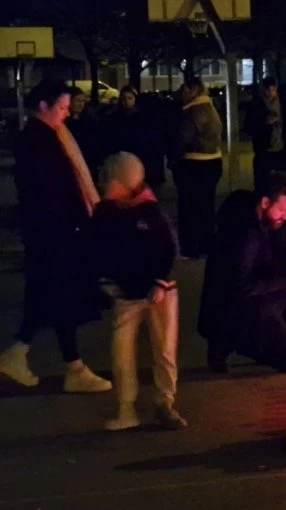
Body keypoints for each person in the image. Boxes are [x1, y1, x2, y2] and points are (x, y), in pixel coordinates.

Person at [0, 79, 112, 392]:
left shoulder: (44, 136)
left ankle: (33, 355)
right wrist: (79, 222)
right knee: (60, 296)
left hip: (51, 233)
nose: (66, 113)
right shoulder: (39, 141)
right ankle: (69, 367)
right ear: (44, 106)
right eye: (61, 107)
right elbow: (52, 191)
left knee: (50, 295)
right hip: (54, 233)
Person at [90, 152, 186, 430]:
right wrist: (103, 280)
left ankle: (165, 402)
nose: (103, 183)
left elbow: (171, 252)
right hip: (126, 294)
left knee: (164, 350)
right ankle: (126, 408)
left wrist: (160, 282)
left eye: (110, 178)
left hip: (159, 294)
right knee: (121, 354)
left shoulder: (151, 213)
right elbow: (95, 251)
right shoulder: (105, 212)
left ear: (123, 182)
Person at [198, 172, 286, 374]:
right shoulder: (242, 232)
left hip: (262, 292)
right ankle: (226, 342)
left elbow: (282, 255)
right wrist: (285, 281)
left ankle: (277, 337)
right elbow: (237, 285)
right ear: (265, 202)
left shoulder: (273, 221)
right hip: (235, 306)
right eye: (283, 210)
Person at [170, 77, 222, 260]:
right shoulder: (210, 108)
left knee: (189, 209)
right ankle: (205, 244)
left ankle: (190, 247)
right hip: (212, 162)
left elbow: (181, 140)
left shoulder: (194, 112)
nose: (182, 94)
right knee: (205, 208)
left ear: (192, 91)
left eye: (184, 91)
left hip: (195, 164)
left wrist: (174, 158)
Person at [104, 85, 167, 187]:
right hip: (124, 161)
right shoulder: (114, 118)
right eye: (124, 99)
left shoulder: (144, 117)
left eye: (130, 98)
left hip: (140, 160)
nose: (126, 101)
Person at [245, 77, 286, 190]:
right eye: (267, 90)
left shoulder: (284, 102)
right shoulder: (256, 104)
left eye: (272, 90)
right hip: (264, 150)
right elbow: (248, 126)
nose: (270, 93)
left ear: (276, 89)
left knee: (284, 182)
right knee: (262, 183)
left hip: (283, 149)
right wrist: (263, 123)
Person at [65, 86, 102, 183]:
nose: (81, 104)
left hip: (87, 162)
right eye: (78, 101)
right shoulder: (64, 122)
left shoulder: (89, 121)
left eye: (83, 101)